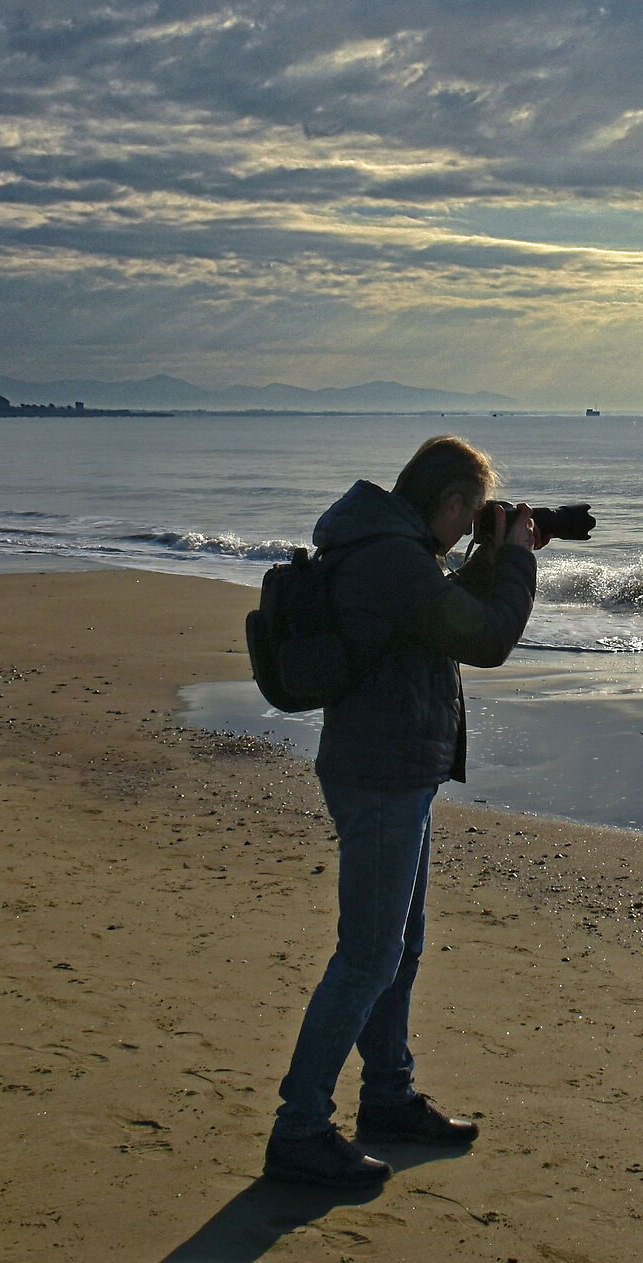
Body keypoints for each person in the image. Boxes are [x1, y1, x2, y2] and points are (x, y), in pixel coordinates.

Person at [262, 435, 542, 1191]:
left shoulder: (389, 547)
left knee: (398, 949)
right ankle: (299, 1129)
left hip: (389, 767)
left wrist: (492, 556)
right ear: (449, 502)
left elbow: (441, 613)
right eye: (471, 515)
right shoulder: (393, 559)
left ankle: (386, 1096)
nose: (469, 527)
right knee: (369, 957)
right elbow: (485, 636)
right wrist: (518, 560)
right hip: (382, 774)